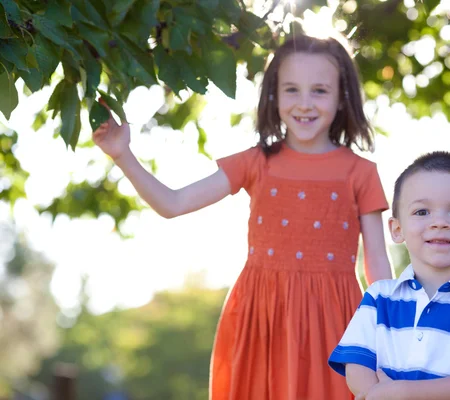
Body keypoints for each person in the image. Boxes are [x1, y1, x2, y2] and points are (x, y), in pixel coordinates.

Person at [92, 34, 393, 400]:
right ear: (273, 94)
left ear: (342, 96)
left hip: (336, 323)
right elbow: (172, 204)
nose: (304, 103)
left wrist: (387, 332)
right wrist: (123, 155)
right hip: (261, 319)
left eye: (319, 91)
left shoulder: (359, 172)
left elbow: (376, 262)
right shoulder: (255, 162)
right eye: (291, 90)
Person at [328, 151, 450, 400]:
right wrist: (374, 394)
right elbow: (357, 366)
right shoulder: (379, 297)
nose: (440, 222)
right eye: (422, 212)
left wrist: (401, 393)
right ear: (397, 229)